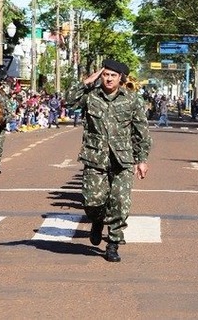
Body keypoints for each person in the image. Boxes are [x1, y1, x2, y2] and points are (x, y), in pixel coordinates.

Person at [65, 59, 152, 263]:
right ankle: (97, 220)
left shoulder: (132, 100)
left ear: (120, 78)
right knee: (92, 202)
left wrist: (142, 160)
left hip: (123, 160)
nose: (109, 78)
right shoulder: (91, 97)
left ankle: (113, 244)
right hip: (95, 158)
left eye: (113, 75)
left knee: (121, 203)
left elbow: (142, 133)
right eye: (105, 74)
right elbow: (68, 101)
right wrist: (88, 80)